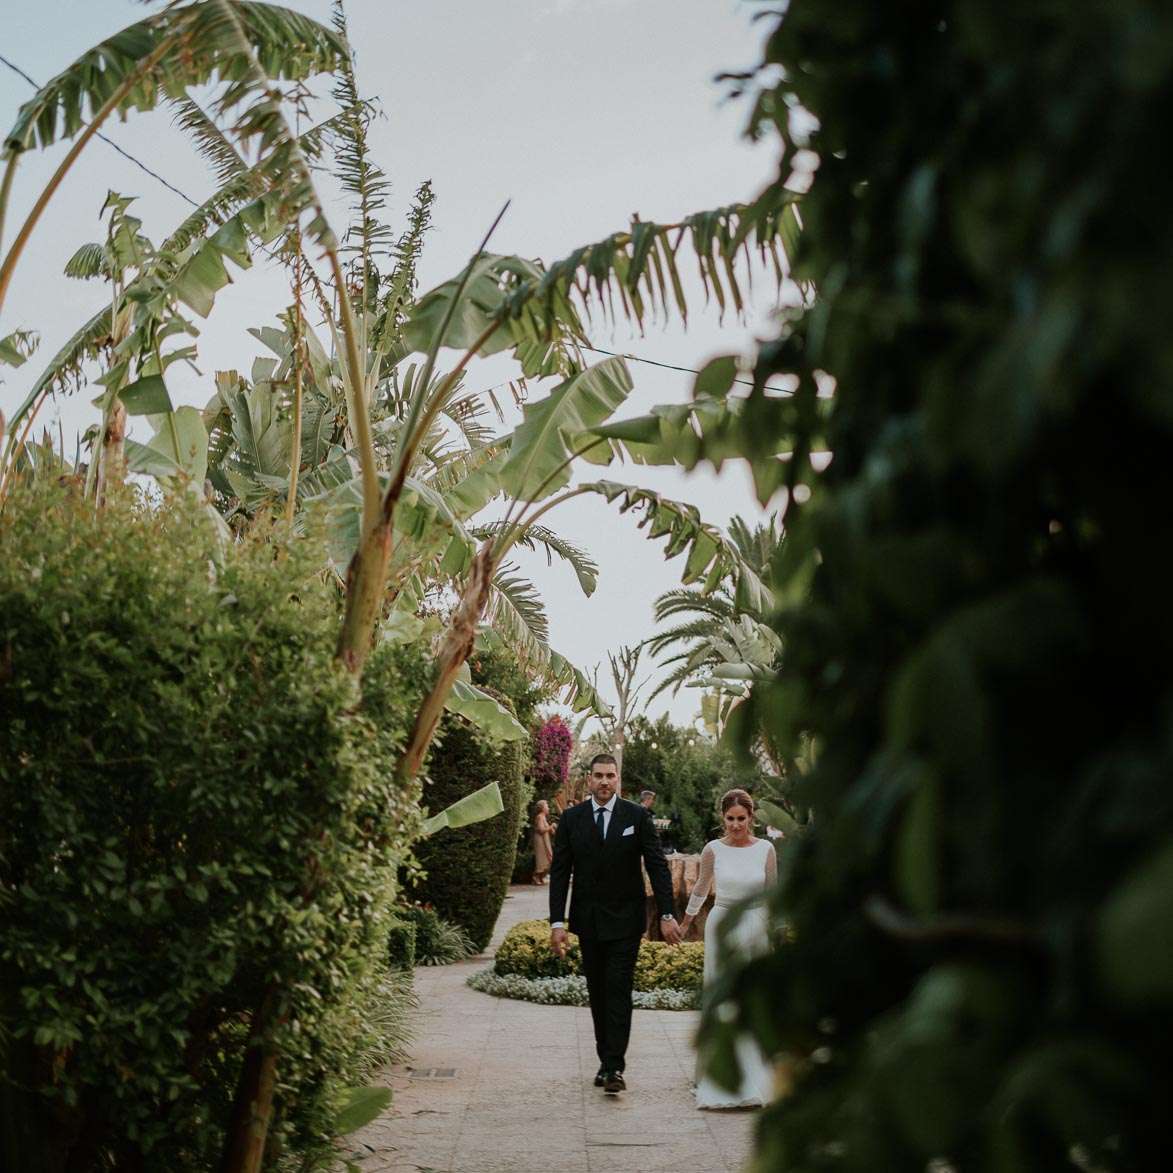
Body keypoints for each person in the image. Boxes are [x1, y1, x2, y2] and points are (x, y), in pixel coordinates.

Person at [549, 753, 682, 1095]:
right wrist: (556, 922)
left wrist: (666, 914)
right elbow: (561, 873)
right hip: (588, 920)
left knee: (618, 990)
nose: (605, 781)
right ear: (589, 779)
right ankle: (605, 1060)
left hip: (626, 921)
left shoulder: (637, 816)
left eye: (610, 775)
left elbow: (657, 866)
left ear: (618, 779)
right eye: (598, 775)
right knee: (598, 992)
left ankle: (614, 1067)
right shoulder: (572, 818)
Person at [679, 788, 777, 1109]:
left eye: (742, 819)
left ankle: (757, 1077)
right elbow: (700, 889)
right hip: (722, 926)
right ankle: (720, 1076)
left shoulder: (766, 849)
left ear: (751, 819)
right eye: (730, 819)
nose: (736, 825)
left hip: (756, 926)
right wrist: (684, 923)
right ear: (723, 818)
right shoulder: (712, 850)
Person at [531, 799, 554, 885]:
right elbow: (541, 830)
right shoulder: (540, 817)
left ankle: (540, 877)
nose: (548, 808)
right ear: (542, 808)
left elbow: (546, 829)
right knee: (541, 858)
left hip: (545, 840)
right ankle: (536, 877)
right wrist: (551, 826)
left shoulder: (543, 817)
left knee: (547, 857)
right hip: (540, 840)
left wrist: (551, 829)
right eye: (547, 806)